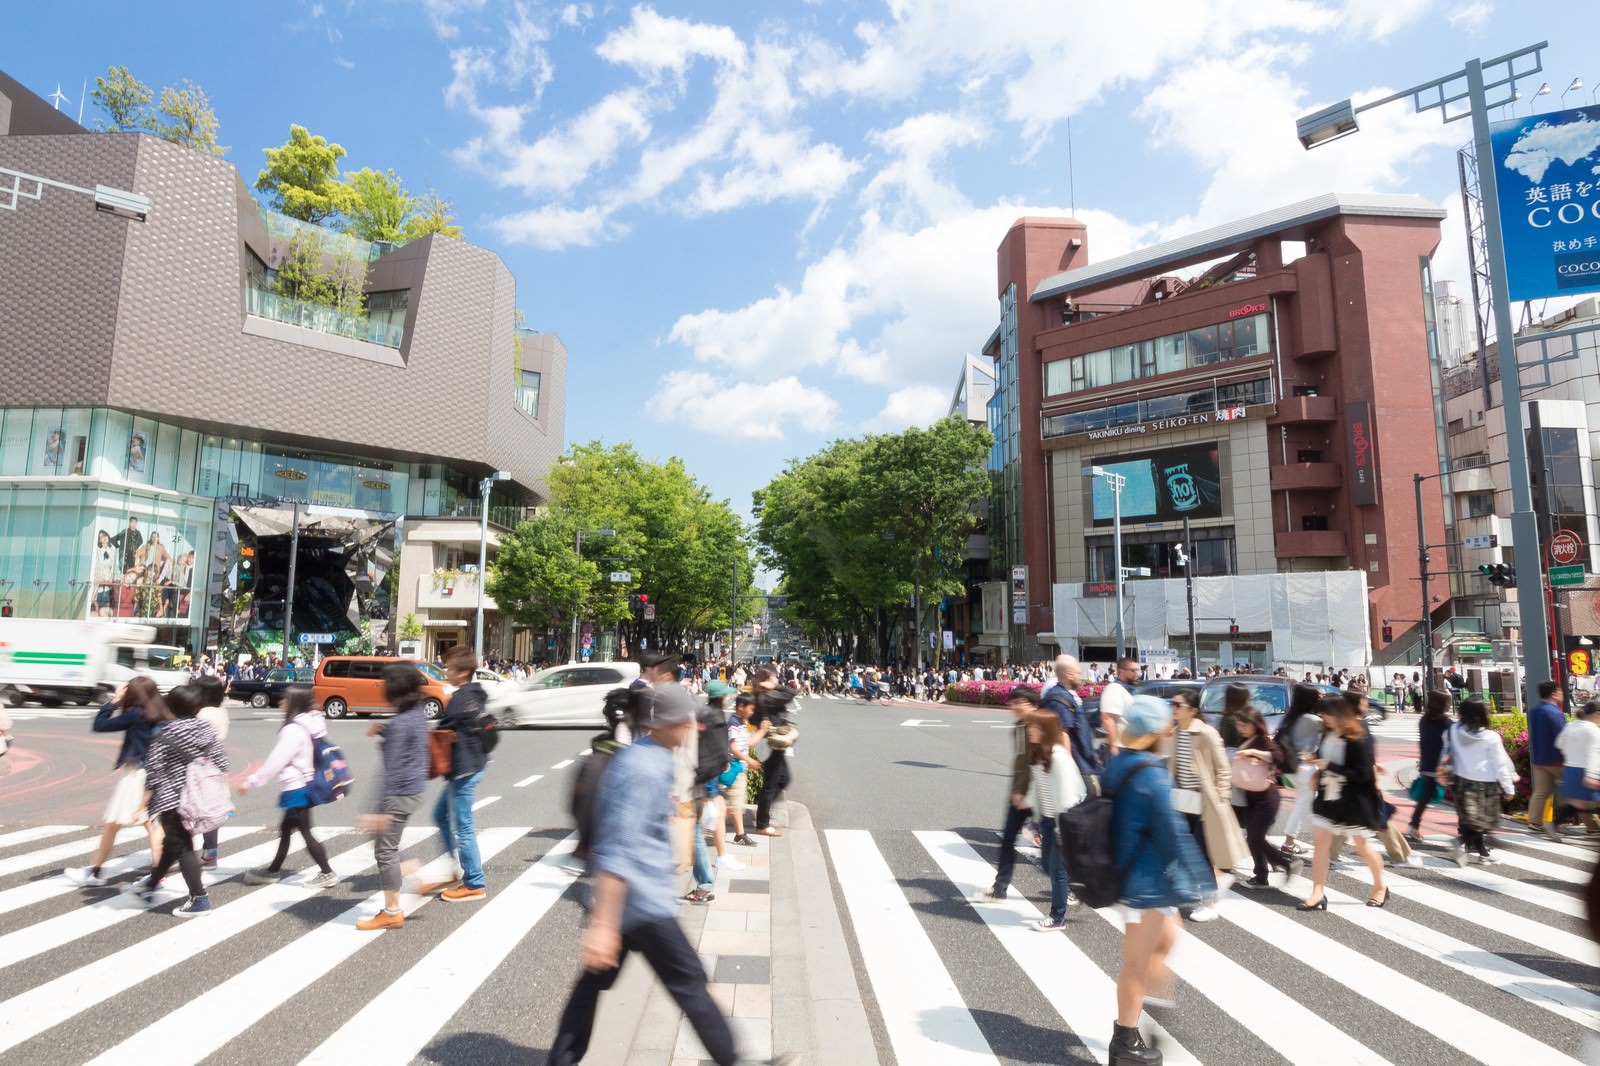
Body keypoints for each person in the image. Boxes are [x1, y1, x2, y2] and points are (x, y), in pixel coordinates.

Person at [549, 686, 795, 1066]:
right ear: (664, 723)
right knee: (690, 983)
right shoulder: (644, 768)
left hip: (633, 900)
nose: (695, 727)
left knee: (593, 984)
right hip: (641, 903)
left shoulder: (651, 757)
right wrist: (604, 925)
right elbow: (619, 849)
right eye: (686, 720)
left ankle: (561, 1059)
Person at [1104, 696, 1213, 1066]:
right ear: (1155, 734)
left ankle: (1152, 1007)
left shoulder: (1121, 763)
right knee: (1136, 964)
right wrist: (1205, 881)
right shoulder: (1150, 774)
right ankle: (1125, 1043)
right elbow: (1174, 834)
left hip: (1142, 877)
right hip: (1144, 884)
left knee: (1166, 939)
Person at [126, 684, 227, 916]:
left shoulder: (165, 733)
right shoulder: (205, 729)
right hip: (199, 798)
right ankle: (150, 887)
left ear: (171, 706)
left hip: (172, 800)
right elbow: (221, 761)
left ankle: (199, 898)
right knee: (172, 844)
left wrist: (142, 804)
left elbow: (154, 773)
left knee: (182, 846)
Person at [66, 678, 170, 886]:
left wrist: (114, 701)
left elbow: (100, 725)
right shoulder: (163, 714)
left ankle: (97, 871)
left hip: (135, 775)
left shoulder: (136, 714)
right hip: (156, 774)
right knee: (149, 825)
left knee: (122, 824)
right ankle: (155, 873)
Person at [355, 662, 432, 930]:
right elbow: (408, 736)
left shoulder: (400, 723)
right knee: (386, 844)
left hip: (398, 792)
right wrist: (384, 730)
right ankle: (410, 873)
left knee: (384, 851)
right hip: (414, 788)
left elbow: (390, 772)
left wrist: (376, 811)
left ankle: (392, 911)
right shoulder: (416, 713)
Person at [413, 646, 492, 901]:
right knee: (441, 816)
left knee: (463, 827)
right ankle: (457, 869)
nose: (446, 671)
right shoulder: (474, 694)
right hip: (474, 764)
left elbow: (443, 729)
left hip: (463, 770)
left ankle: (474, 882)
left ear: (464, 672)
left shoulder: (460, 699)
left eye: (451, 668)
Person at [238, 686, 337, 888]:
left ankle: (327, 872)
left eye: (285, 699)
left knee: (305, 831)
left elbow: (277, 761)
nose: (281, 702)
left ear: (293, 702)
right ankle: (273, 870)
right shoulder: (308, 724)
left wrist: (251, 781)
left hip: (297, 786)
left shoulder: (293, 730)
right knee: (286, 829)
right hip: (304, 784)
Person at [1298, 694, 1388, 911]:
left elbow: (1363, 774)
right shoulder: (1327, 734)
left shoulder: (1359, 736)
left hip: (1354, 801)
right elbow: (1324, 759)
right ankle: (1317, 892)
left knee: (1362, 846)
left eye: (1327, 714)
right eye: (1322, 714)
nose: (1324, 718)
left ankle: (1380, 886)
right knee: (1320, 846)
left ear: (1341, 713)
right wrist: (1314, 763)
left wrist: (1328, 766)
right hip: (1328, 798)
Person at [1165, 690, 1246, 921]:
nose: (1174, 708)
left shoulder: (1207, 733)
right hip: (1182, 800)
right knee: (1187, 851)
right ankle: (1217, 878)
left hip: (1205, 802)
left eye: (1178, 704)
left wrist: (1221, 798)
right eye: (1173, 703)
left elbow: (1222, 768)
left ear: (1192, 709)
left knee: (1200, 853)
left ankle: (1209, 905)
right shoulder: (1176, 732)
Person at [1025, 707, 1086, 930]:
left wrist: (1062, 830)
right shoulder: (1038, 754)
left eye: (1034, 726)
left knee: (1057, 870)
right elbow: (1038, 790)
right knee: (1047, 865)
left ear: (1045, 730)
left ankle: (1056, 917)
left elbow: (1069, 797)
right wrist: (1034, 818)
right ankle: (1073, 889)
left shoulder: (1059, 759)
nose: (1029, 730)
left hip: (1062, 823)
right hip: (1048, 821)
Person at [1438, 697, 1518, 867]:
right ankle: (1459, 842)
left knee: (1472, 821)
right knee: (1485, 821)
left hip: (1460, 781)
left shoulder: (1454, 730)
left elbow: (1447, 748)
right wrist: (1508, 788)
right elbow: (1500, 764)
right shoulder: (1491, 737)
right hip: (1484, 783)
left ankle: (1483, 853)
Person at [1233, 706, 1302, 888]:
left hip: (1267, 799)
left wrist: (1252, 752)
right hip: (1250, 798)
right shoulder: (1245, 739)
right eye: (1239, 725)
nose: (1241, 729)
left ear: (1255, 724)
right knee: (1254, 838)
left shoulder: (1263, 740)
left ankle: (1287, 865)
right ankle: (1261, 876)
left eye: (1245, 725)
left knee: (1255, 838)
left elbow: (1278, 756)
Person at [980, 688, 1038, 901]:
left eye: (1019, 702)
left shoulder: (1041, 726)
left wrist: (1028, 794)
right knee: (1007, 839)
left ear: (1032, 703)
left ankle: (1068, 889)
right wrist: (1016, 791)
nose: (1014, 707)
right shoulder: (1019, 727)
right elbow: (1021, 763)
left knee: (1052, 849)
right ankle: (1000, 887)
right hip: (1020, 795)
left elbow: (1041, 765)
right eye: (1012, 703)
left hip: (1040, 796)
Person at [1277, 683, 1323, 857]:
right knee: (1305, 805)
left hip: (1291, 769)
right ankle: (1289, 842)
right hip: (1307, 769)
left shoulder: (1291, 717)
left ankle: (1329, 839)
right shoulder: (1313, 720)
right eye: (1318, 697)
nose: (1320, 699)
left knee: (1306, 804)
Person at [1406, 689, 1453, 843]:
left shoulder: (1424, 720)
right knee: (1461, 798)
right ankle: (1468, 833)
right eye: (1447, 702)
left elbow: (1423, 743)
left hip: (1428, 764)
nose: (1449, 705)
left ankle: (1413, 825)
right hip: (1444, 767)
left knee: (1424, 798)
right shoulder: (1447, 724)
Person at [193, 675, 229, 866]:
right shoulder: (221, 711)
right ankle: (210, 853)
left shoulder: (202, 713)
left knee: (188, 808)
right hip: (215, 763)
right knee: (210, 810)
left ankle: (178, 850)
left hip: (198, 764)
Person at [1527, 679, 1568, 841]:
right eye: (1560, 691)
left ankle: (1534, 821)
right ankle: (1592, 825)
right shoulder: (1555, 713)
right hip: (1556, 760)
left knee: (1541, 791)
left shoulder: (1535, 711)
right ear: (1553, 694)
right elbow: (1563, 737)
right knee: (1578, 788)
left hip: (1539, 758)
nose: (1562, 694)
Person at [1555, 700, 1600, 832]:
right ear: (1597, 713)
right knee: (1581, 803)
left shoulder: (1571, 726)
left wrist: (1571, 754)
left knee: (1576, 803)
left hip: (1570, 769)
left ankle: (1553, 825)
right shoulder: (1593, 730)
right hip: (1588, 771)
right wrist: (1592, 776)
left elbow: (1559, 744)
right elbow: (1593, 754)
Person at [725, 692, 757, 846]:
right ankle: (739, 834)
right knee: (736, 802)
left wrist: (763, 732)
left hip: (740, 767)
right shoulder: (734, 723)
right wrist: (749, 759)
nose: (752, 712)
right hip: (735, 767)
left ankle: (739, 833)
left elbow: (747, 743)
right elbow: (733, 747)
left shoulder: (742, 722)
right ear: (741, 707)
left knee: (737, 802)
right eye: (750, 709)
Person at [1099, 657, 1140, 756]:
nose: (1136, 674)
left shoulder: (1128, 689)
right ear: (1121, 671)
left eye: (1137, 670)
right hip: (1122, 748)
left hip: (1133, 746)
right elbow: (1108, 719)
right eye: (1133, 670)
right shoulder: (1114, 689)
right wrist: (1113, 748)